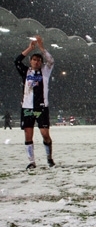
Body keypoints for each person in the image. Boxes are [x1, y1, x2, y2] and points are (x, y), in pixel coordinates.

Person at [14, 35, 55, 169]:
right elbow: (17, 61)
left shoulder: (45, 72)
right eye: (34, 60)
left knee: (45, 135)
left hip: (41, 107)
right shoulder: (26, 72)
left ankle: (49, 157)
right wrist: (29, 48)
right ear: (30, 61)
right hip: (27, 107)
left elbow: (51, 61)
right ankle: (32, 162)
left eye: (38, 60)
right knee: (28, 135)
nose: (36, 62)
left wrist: (42, 48)